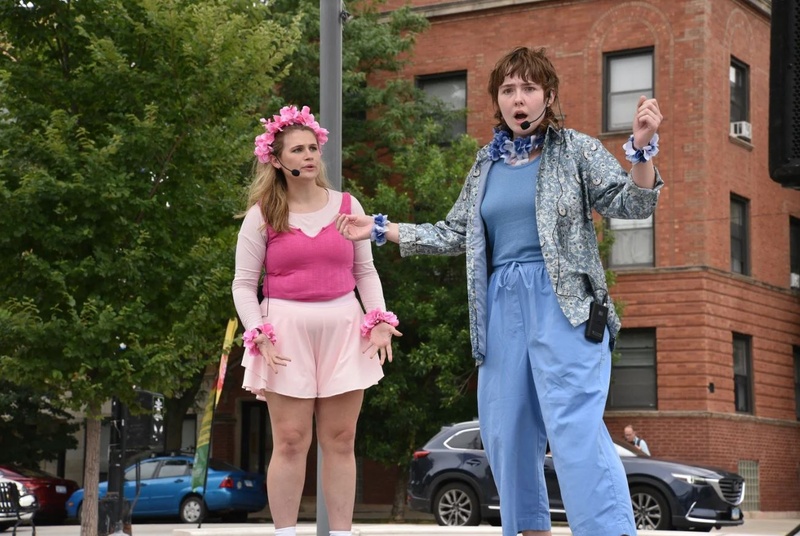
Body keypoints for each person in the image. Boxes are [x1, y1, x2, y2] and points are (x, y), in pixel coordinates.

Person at [336, 46, 664, 536]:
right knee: (505, 434)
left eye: (529, 88)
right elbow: (455, 232)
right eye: (508, 89)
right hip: (500, 306)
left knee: (574, 432)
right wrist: (381, 229)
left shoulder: (574, 149)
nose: (519, 99)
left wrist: (641, 149)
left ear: (548, 96)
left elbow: (634, 204)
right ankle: (528, 528)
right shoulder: (484, 164)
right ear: (498, 100)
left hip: (566, 306)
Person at [231, 105, 401, 536]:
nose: (309, 156)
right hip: (285, 331)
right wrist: (258, 334)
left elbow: (365, 272)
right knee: (290, 442)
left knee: (341, 440)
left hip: (343, 324)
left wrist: (378, 319)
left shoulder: (347, 206)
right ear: (276, 159)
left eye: (313, 148)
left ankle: (341, 533)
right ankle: (286, 532)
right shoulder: (262, 215)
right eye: (298, 150)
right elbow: (243, 285)